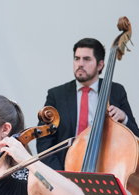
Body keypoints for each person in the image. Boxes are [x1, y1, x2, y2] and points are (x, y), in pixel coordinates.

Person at [37, 38, 139, 172]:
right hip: (65, 170)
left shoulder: (116, 91)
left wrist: (124, 118)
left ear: (100, 65)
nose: (80, 64)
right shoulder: (56, 95)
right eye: (77, 58)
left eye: (86, 59)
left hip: (106, 169)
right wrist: (59, 175)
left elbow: (135, 137)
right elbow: (44, 141)